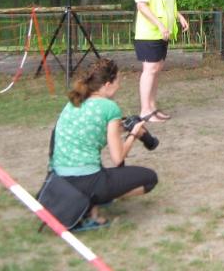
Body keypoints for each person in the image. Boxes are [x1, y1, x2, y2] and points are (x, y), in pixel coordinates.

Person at [50, 58, 158, 230]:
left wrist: (122, 127)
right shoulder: (109, 107)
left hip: (59, 178)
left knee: (96, 166)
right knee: (150, 179)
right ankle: (92, 202)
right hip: (86, 180)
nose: (119, 86)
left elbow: (91, 130)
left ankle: (86, 202)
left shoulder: (74, 102)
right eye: (118, 81)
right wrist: (133, 134)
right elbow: (118, 158)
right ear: (107, 84)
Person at [134, 0, 189, 121]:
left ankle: (152, 107)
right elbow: (142, 5)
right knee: (149, 70)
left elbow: (168, 3)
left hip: (163, 33)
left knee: (157, 70)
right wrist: (159, 25)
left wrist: (179, 16)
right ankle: (145, 111)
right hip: (149, 33)